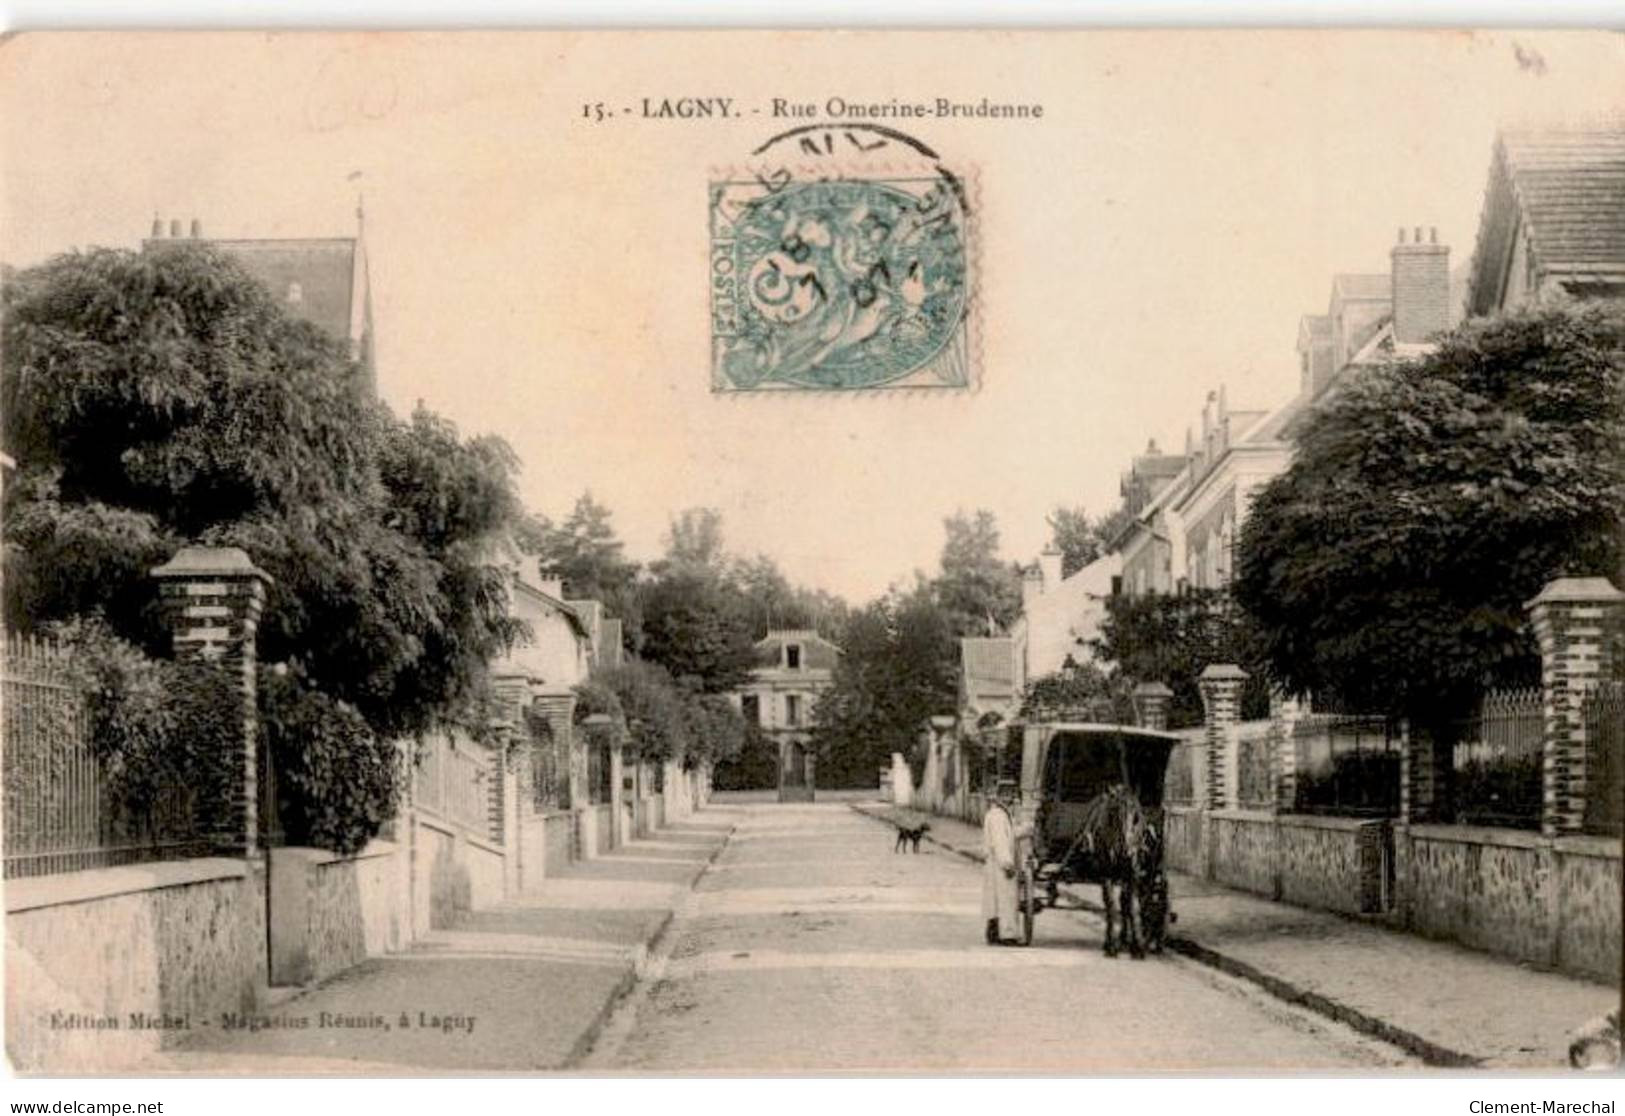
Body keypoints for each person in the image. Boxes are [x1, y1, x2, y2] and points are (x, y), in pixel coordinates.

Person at [982, 781, 1024, 945]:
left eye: (1011, 794)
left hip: (994, 863)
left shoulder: (999, 814)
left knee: (994, 900)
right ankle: (1007, 935)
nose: (1010, 798)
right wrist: (1007, 864)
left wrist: (1025, 830)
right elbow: (1000, 841)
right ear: (999, 796)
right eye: (1006, 795)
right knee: (1006, 899)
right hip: (1000, 864)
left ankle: (993, 933)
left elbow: (1010, 834)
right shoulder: (998, 816)